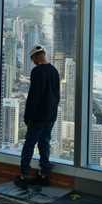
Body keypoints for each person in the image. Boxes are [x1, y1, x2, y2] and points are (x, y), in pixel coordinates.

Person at [15, 45, 60, 188]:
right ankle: (44, 174)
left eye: (32, 59)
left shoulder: (37, 72)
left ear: (35, 57)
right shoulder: (54, 71)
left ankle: (24, 174)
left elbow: (33, 97)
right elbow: (57, 96)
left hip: (37, 117)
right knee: (44, 143)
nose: (33, 62)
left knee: (29, 145)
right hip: (50, 116)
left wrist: (28, 116)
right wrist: (53, 114)